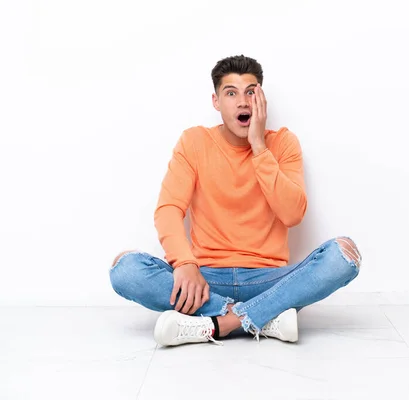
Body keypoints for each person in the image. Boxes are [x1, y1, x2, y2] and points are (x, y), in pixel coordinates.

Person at [109, 55, 362, 347]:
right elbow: (168, 209)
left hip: (268, 280)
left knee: (344, 255)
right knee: (124, 269)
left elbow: (292, 214)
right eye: (231, 93)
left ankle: (221, 323)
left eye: (251, 92)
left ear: (261, 99)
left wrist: (259, 147)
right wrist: (184, 264)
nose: (243, 102)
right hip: (205, 280)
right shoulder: (194, 142)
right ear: (216, 101)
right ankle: (264, 318)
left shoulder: (283, 143)